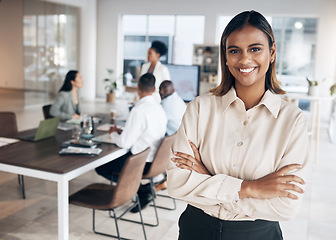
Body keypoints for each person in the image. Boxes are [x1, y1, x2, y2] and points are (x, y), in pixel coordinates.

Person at [167, 10, 309, 240]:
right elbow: (176, 183)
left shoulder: (292, 121)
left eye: (255, 49)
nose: (244, 60)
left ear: (272, 52)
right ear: (225, 56)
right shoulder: (200, 109)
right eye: (234, 51)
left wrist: (208, 180)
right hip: (197, 230)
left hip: (258, 234)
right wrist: (252, 189)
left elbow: (286, 206)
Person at [95, 73, 167, 211]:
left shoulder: (138, 110)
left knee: (101, 167)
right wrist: (124, 131)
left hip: (141, 163)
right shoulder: (159, 108)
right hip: (156, 161)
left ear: (138, 88)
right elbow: (145, 132)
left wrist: (113, 133)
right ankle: (142, 190)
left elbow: (124, 143)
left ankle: (141, 190)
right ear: (154, 90)